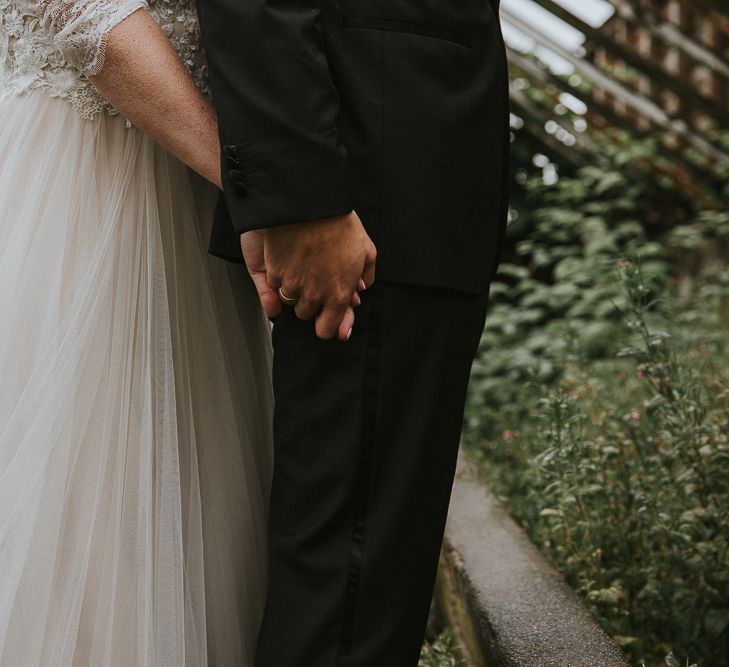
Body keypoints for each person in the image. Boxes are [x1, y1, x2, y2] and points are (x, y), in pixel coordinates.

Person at [196, 0, 511, 665]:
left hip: (406, 172)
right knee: (345, 615)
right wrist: (304, 192)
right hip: (368, 183)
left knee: (368, 596)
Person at [0, 1, 282, 663]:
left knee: (188, 511)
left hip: (191, 198)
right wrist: (267, 194)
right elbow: (92, 20)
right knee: (88, 506)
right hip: (84, 190)